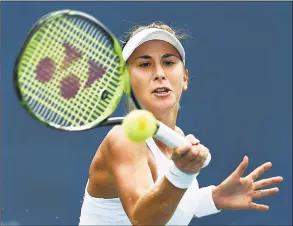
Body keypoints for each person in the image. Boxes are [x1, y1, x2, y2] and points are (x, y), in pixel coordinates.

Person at [79, 22, 283, 225]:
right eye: (144, 64)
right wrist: (181, 174)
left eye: (168, 62)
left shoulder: (177, 136)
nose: (159, 73)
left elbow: (167, 206)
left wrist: (213, 198)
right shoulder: (124, 140)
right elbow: (144, 221)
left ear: (184, 77)